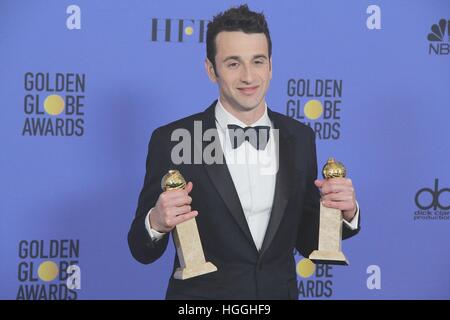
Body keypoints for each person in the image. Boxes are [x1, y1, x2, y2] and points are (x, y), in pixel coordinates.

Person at [128, 4, 360, 300]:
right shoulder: (174, 140)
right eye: (233, 63)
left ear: (271, 66)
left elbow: (307, 240)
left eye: (258, 61)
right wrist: (156, 222)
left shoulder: (299, 138)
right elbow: (140, 248)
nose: (249, 77)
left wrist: (344, 212)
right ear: (211, 70)